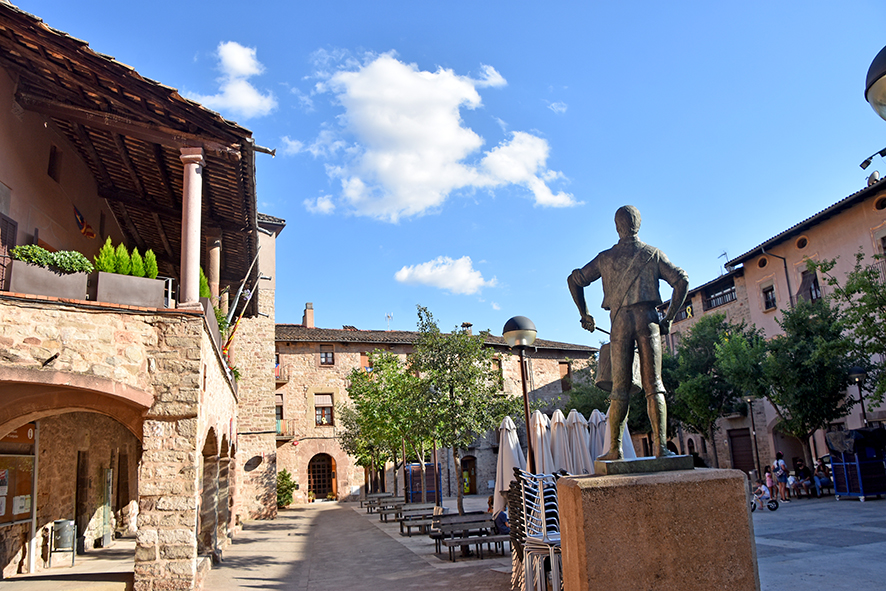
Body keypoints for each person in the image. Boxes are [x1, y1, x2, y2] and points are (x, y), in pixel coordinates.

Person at [568, 205, 689, 459]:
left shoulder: (605, 258)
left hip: (620, 322)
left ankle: (615, 449)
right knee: (654, 385)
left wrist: (585, 314)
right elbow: (682, 281)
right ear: (639, 225)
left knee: (619, 388)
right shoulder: (653, 254)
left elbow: (573, 279)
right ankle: (661, 448)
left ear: (617, 227)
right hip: (649, 320)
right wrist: (669, 317)